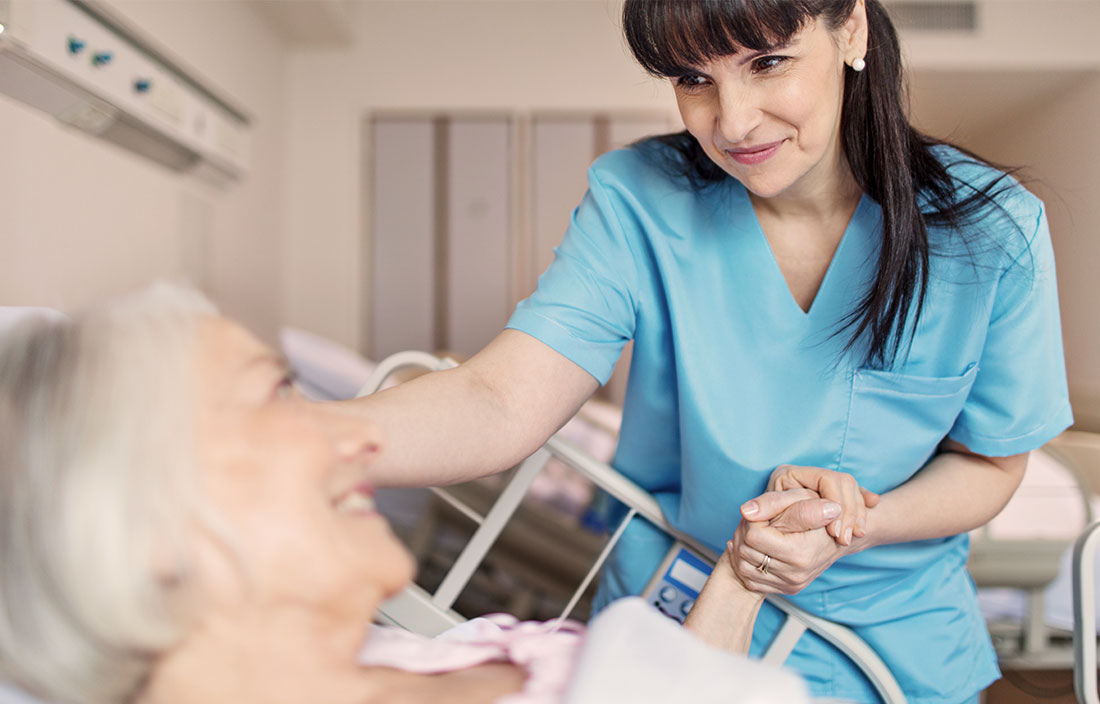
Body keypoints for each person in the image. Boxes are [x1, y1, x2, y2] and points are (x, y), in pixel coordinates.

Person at [342, 1, 1073, 702]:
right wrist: (302, 437)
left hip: (891, 657)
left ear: (850, 29)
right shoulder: (639, 201)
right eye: (693, 79)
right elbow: (498, 399)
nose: (732, 121)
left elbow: (992, 461)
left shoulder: (991, 231)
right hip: (671, 627)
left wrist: (859, 526)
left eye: (768, 61)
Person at [0, 287, 829, 704]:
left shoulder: (396, 656)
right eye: (274, 398)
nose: (358, 437)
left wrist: (744, 574)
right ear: (143, 521)